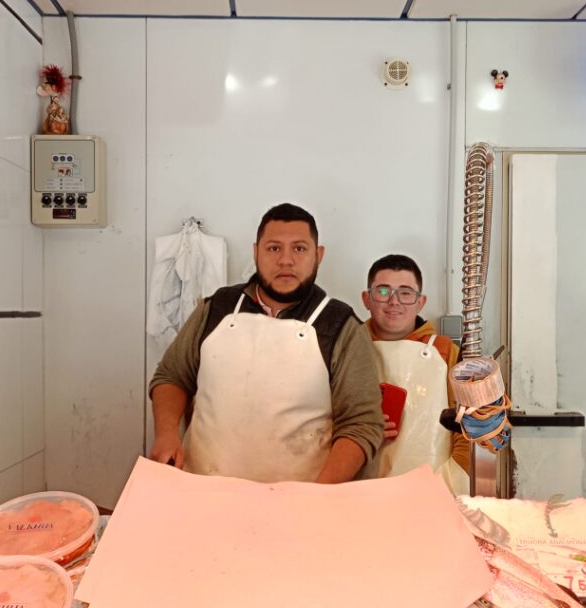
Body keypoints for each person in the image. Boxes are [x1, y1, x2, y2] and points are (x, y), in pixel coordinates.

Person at [148, 203, 384, 484]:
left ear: (318, 255)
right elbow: (172, 376)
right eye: (274, 248)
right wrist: (166, 434)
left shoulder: (342, 326)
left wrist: (318, 494)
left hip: (299, 499)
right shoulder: (216, 308)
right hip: (204, 488)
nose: (286, 260)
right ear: (256, 252)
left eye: (299, 248)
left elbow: (362, 425)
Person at [361, 254, 489, 494]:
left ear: (421, 302)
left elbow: (469, 424)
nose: (394, 302)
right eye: (383, 291)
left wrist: (452, 481)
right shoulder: (347, 347)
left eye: (406, 292)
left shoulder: (446, 352)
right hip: (358, 487)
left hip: (433, 490)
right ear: (366, 299)